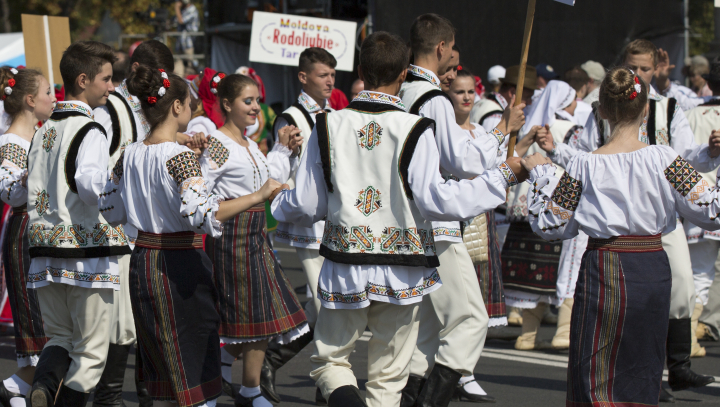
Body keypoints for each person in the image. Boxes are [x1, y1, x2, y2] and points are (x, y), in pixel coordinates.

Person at [272, 30, 526, 407]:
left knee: (331, 362)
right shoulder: (416, 128)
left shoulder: (328, 125)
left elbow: (307, 205)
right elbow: (438, 200)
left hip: (347, 263)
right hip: (402, 267)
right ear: (403, 75)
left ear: (360, 70)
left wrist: (280, 203)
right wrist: (504, 175)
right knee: (389, 377)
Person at [526, 65, 720, 407]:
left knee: (596, 366)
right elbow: (712, 210)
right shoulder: (664, 158)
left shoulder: (584, 165)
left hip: (605, 266)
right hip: (651, 268)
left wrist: (540, 174)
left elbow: (552, 226)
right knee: (642, 363)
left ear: (601, 111)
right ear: (646, 108)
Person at [98, 65, 283, 407]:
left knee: (165, 354)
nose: (195, 110)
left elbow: (111, 210)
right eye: (190, 103)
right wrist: (258, 196)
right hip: (178, 261)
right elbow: (202, 216)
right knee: (194, 353)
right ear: (177, 107)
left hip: (143, 261)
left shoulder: (130, 154)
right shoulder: (181, 158)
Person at [398, 14, 526, 407]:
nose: (455, 55)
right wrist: (503, 127)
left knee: (430, 329)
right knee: (471, 317)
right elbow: (462, 160)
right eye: (452, 49)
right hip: (435, 220)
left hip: (409, 218)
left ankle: (411, 396)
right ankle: (429, 402)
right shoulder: (433, 98)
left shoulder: (402, 91)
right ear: (440, 48)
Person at [25, 41, 127, 406]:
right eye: (107, 79)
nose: (112, 87)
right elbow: (89, 185)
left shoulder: (43, 130)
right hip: (84, 251)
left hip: (43, 251)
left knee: (59, 338)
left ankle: (43, 385)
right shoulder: (91, 130)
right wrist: (118, 184)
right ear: (84, 80)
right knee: (91, 353)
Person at [199, 73, 308, 407]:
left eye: (258, 101)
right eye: (248, 101)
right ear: (227, 103)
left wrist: (282, 147)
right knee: (238, 319)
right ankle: (220, 388)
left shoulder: (248, 145)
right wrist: (257, 195)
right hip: (231, 238)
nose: (255, 107)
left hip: (256, 237)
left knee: (258, 317)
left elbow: (266, 177)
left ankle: (248, 390)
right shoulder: (217, 143)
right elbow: (205, 202)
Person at [92, 39, 176, 407]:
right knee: (119, 323)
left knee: (141, 319)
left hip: (140, 231)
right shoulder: (110, 110)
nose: (162, 85)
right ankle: (108, 398)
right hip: (111, 229)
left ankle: (145, 395)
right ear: (138, 70)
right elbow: (94, 171)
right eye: (158, 76)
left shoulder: (146, 110)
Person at [447, 67, 538, 402]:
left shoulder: (482, 132)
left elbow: (500, 165)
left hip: (480, 223)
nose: (467, 98)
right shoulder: (447, 134)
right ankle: (448, 370)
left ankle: (465, 371)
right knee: (454, 305)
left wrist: (522, 142)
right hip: (452, 221)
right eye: (459, 92)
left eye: (471, 91)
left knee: (479, 303)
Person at [261, 47, 337, 405]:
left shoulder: (336, 114)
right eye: (323, 75)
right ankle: (329, 389)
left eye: (333, 76)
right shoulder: (290, 117)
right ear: (304, 77)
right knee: (326, 306)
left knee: (323, 307)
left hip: (334, 221)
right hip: (308, 224)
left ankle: (273, 360)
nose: (330, 82)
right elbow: (281, 168)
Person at [502, 80, 580, 351]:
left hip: (525, 211)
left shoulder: (528, 126)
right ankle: (563, 331)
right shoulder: (569, 128)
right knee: (561, 270)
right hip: (557, 209)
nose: (575, 104)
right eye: (572, 99)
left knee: (530, 273)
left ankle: (527, 334)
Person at [0, 67, 55, 407]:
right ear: (31, 100)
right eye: (49, 92)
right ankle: (20, 384)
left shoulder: (37, 138)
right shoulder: (12, 142)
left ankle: (18, 387)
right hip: (25, 232)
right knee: (34, 313)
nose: (54, 98)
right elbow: (9, 191)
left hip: (40, 231)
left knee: (47, 314)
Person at [683, 60, 720, 358]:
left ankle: (690, 337)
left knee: (700, 273)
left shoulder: (691, 115)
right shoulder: (692, 113)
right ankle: (690, 336)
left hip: (698, 202)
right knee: (701, 273)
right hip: (704, 205)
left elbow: (681, 158)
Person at [470, 65, 537, 136]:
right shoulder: (496, 117)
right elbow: (491, 146)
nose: (530, 102)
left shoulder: (487, 102)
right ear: (512, 92)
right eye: (527, 97)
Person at [174, 0, 199, 74]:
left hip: (188, 44)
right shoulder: (183, 10)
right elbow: (175, 21)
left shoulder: (192, 10)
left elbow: (181, 20)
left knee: (189, 68)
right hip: (180, 44)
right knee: (177, 70)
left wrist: (176, 8)